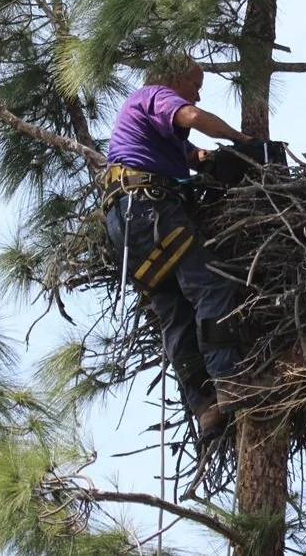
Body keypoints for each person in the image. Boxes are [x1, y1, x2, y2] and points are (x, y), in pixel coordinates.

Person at [102, 55, 252, 439]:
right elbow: (191, 118)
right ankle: (230, 382)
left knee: (176, 312)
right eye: (195, 87)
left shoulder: (147, 132)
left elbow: (188, 155)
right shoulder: (154, 95)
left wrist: (208, 160)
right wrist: (241, 140)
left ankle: (206, 410)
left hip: (127, 231)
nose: (197, 98)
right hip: (149, 209)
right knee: (212, 286)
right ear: (173, 79)